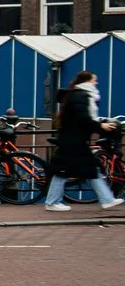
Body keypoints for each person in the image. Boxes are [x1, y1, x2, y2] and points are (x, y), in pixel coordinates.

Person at [44, 69, 119, 211]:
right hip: (74, 140)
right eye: (94, 80)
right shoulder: (82, 95)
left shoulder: (77, 94)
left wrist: (99, 125)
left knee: (76, 170)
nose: (96, 83)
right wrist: (100, 126)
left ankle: (106, 199)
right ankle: (52, 202)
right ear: (87, 81)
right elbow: (84, 118)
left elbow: (83, 118)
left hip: (72, 139)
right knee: (79, 170)